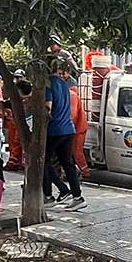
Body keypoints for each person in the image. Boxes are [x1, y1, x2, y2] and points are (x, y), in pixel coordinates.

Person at [45, 65, 86, 210]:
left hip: (54, 129)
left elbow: (47, 108)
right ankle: (77, 197)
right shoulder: (63, 83)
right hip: (68, 128)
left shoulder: (47, 84)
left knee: (44, 161)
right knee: (67, 163)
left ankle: (54, 193)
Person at [3, 69, 27, 170]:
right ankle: (16, 162)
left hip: (22, 119)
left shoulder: (26, 89)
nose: (17, 79)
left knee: (18, 141)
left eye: (19, 77)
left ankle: (15, 162)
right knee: (13, 141)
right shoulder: (13, 89)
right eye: (16, 77)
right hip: (13, 118)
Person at [69, 84, 90, 178]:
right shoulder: (73, 95)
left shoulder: (71, 96)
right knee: (73, 151)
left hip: (78, 128)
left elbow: (72, 114)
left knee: (77, 151)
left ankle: (85, 171)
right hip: (78, 127)